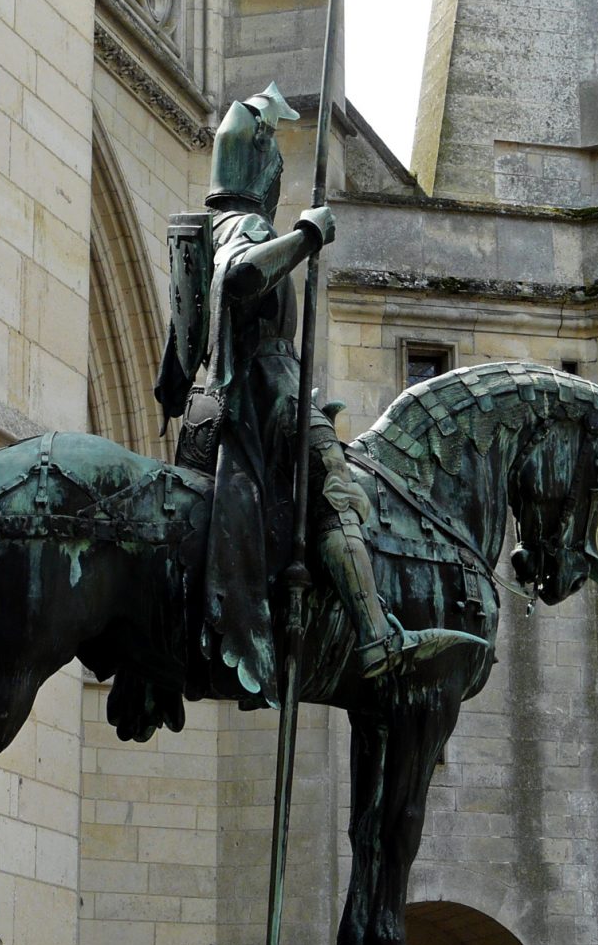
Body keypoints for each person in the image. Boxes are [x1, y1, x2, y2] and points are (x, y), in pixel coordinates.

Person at [155, 81, 455, 706]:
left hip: (230, 398)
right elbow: (241, 280)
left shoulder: (204, 229)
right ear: (262, 165)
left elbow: (181, 351)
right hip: (265, 395)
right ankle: (376, 637)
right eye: (277, 162)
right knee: (337, 491)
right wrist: (306, 236)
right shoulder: (247, 225)